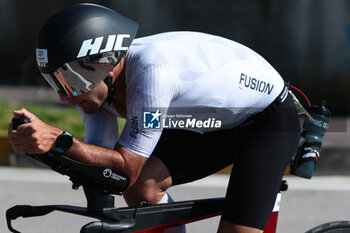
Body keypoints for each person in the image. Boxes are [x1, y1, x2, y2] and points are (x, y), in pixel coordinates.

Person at [8, 3, 301, 233]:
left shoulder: (151, 73)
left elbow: (125, 169)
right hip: (207, 124)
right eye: (56, 81)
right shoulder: (92, 91)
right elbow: (101, 175)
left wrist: (59, 140)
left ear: (105, 65)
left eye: (70, 80)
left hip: (265, 124)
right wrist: (49, 149)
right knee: (142, 189)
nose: (64, 95)